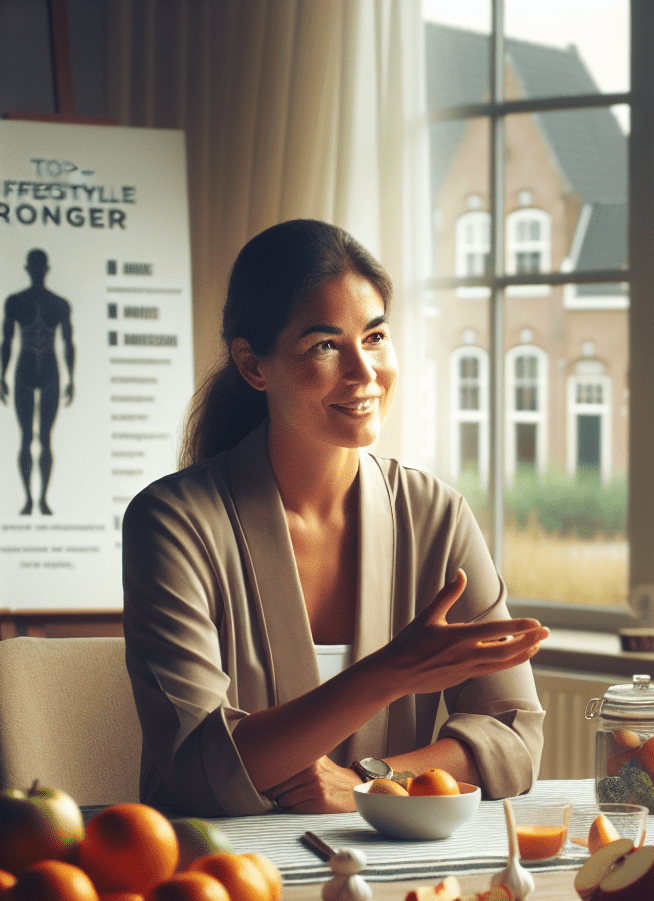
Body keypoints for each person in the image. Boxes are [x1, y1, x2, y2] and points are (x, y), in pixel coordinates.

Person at [122, 219, 548, 818]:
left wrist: (371, 780)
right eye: (325, 345)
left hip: (388, 871)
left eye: (374, 336)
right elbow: (198, 768)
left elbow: (515, 738)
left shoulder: (435, 515)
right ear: (253, 366)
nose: (364, 371)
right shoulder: (173, 523)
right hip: (214, 880)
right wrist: (392, 671)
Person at [1, 248, 75, 515]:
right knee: (25, 438)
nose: (36, 271)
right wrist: (2, 375)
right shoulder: (15, 302)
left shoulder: (59, 304)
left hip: (48, 373)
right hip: (26, 372)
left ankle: (41, 499)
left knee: (44, 438)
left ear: (43, 269)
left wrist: (71, 378)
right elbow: (6, 340)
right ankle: (28, 500)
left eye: (38, 267)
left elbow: (69, 341)